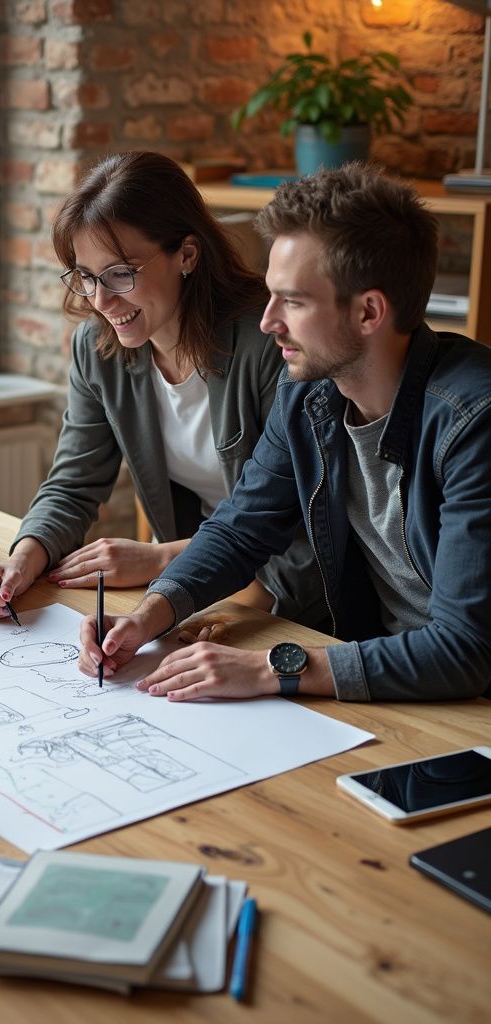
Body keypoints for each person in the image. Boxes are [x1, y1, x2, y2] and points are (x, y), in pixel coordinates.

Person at [79, 163, 491, 703]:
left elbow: (465, 649)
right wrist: (147, 616)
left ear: (369, 311)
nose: (269, 321)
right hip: (385, 680)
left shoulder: (474, 421)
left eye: (292, 301)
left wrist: (272, 669)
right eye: (271, 297)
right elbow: (242, 528)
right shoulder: (311, 392)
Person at [0, 151, 322, 626]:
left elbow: (302, 518)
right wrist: (25, 558)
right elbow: (74, 483)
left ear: (187, 255)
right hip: (200, 582)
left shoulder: (269, 344)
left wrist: (162, 560)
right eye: (86, 277)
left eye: (120, 273)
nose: (101, 300)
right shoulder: (97, 350)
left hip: (290, 591)